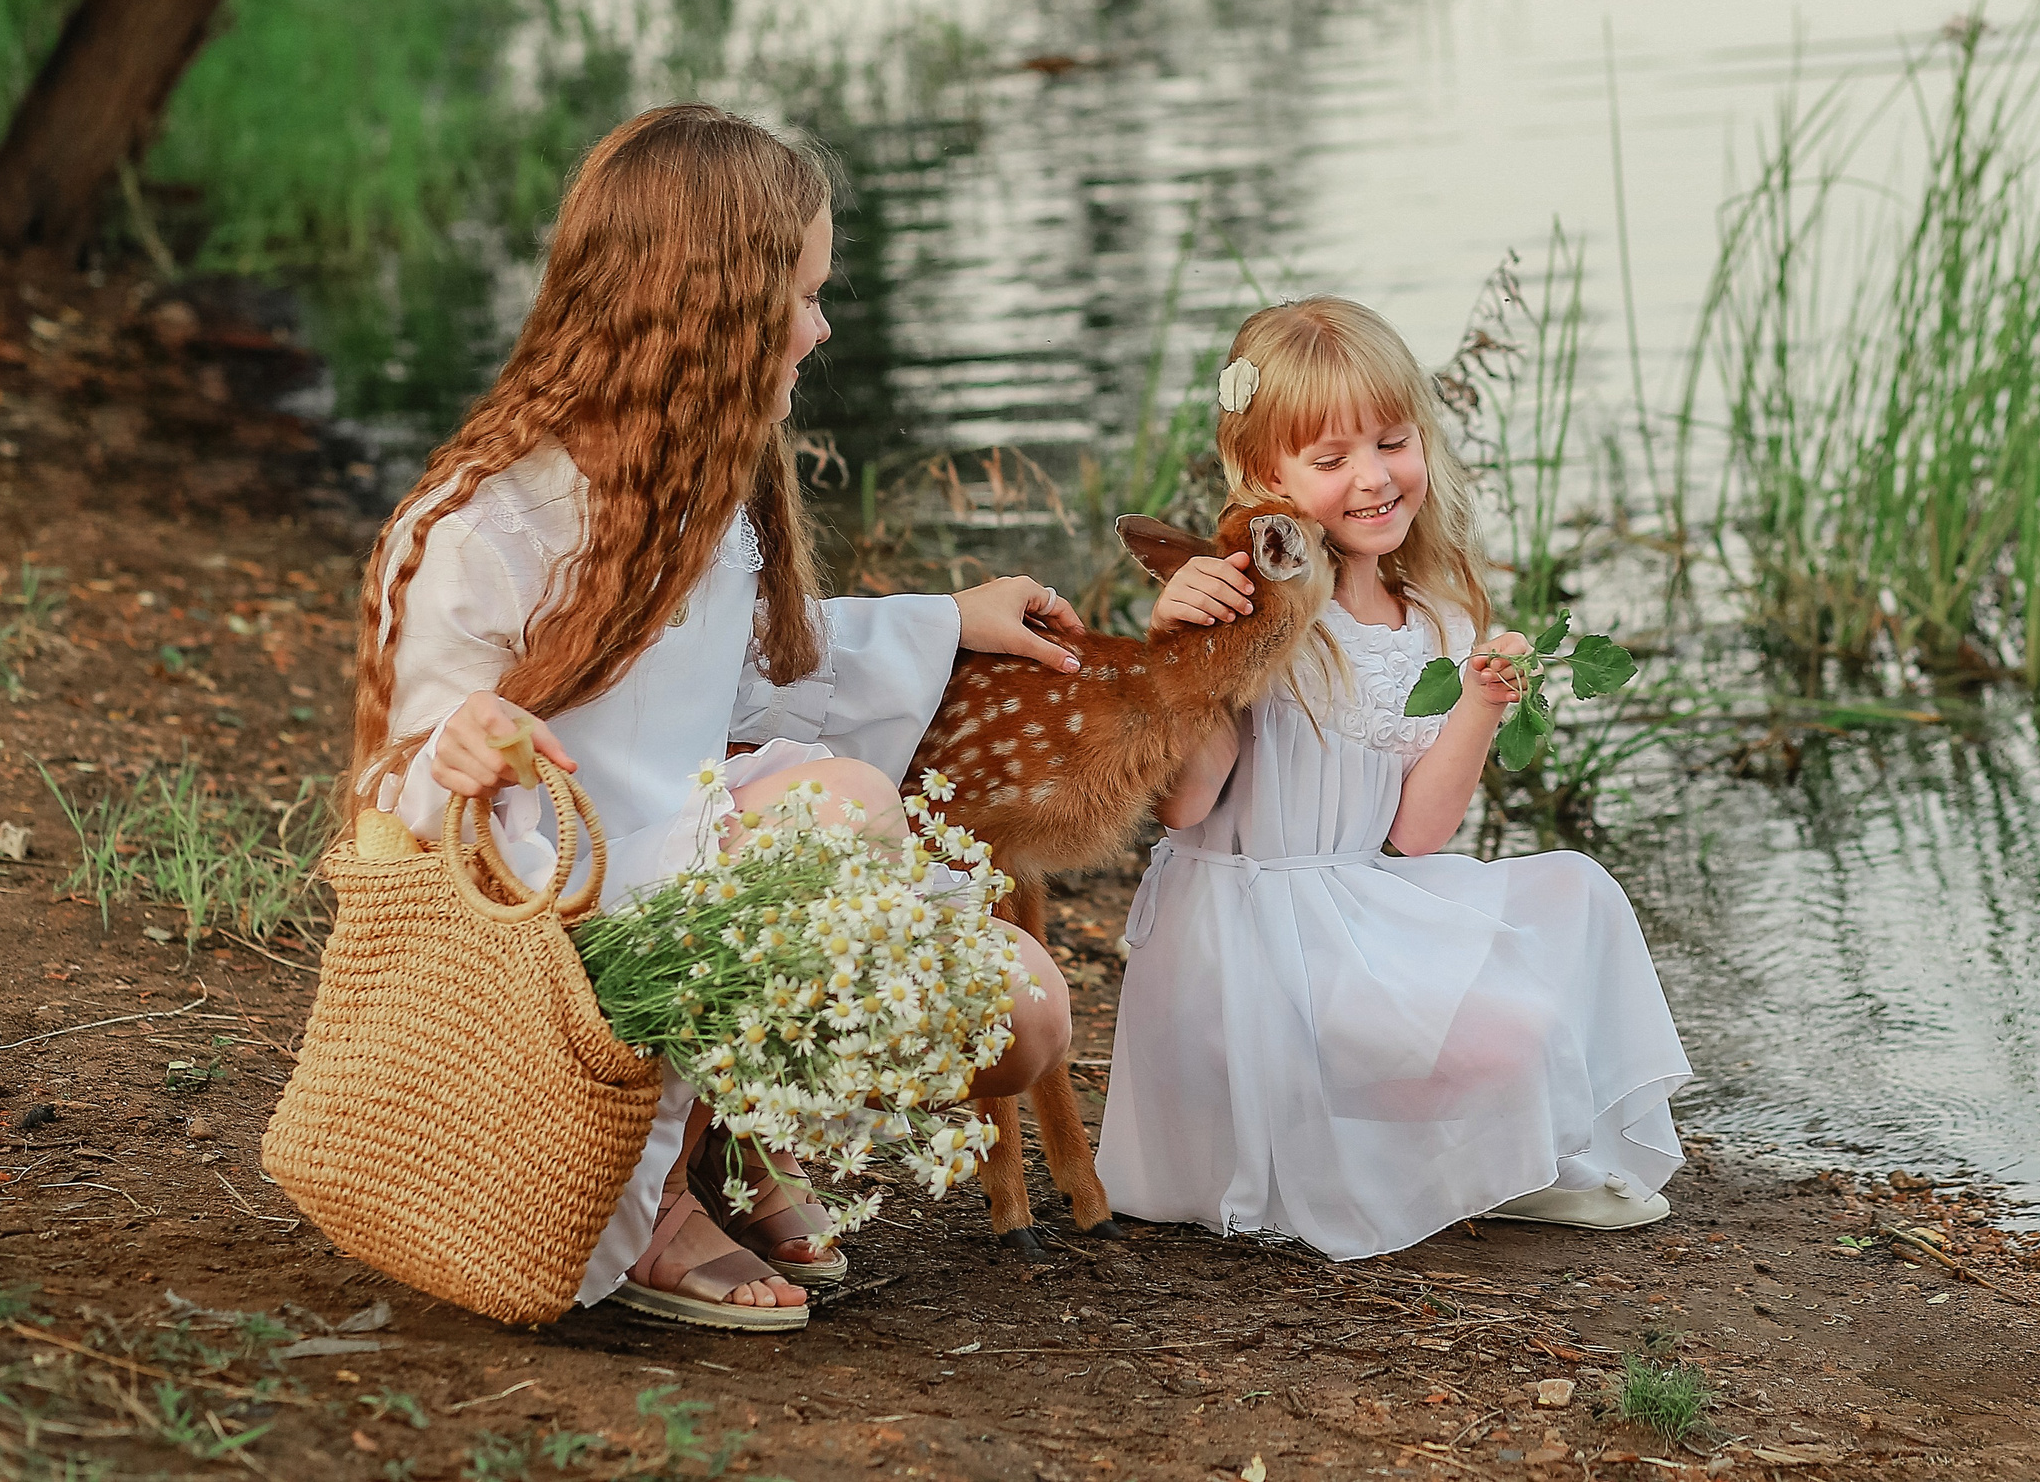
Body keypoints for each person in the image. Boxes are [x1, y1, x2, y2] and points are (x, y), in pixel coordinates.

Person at [345, 104, 1076, 1331]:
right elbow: (400, 779)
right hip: (550, 920)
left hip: (689, 878)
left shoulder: (701, 498)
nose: (820, 326)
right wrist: (461, 748)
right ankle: (655, 1196)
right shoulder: (483, 525)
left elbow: (745, 678)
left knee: (1024, 1013)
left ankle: (724, 1131)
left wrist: (945, 620)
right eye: (801, 296)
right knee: (840, 810)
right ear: (711, 313)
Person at [1092, 296, 1691, 1262]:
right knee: (1521, 1032)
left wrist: (1483, 703)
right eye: (1330, 461)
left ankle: (1496, 1146)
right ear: (1262, 475)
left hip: (1361, 901)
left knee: (1573, 896)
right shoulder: (1254, 605)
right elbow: (1185, 802)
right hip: (1253, 944)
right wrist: (1186, 659)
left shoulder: (1436, 610)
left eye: (1393, 441)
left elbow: (1416, 837)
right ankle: (1481, 1154)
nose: (1372, 478)